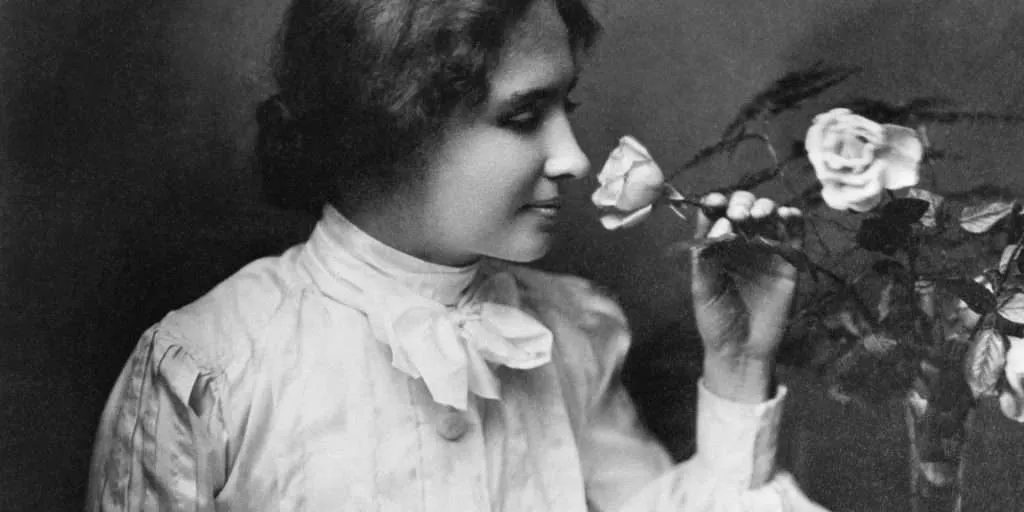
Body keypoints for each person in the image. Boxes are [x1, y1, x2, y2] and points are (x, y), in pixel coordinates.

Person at [86, 0, 828, 510]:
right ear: (393, 119)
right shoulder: (209, 372)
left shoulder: (565, 333)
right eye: (523, 116)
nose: (572, 159)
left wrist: (736, 372)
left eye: (565, 110)